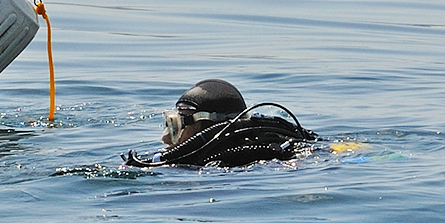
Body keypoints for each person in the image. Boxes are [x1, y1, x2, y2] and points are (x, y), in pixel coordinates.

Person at [122, 79, 316, 168]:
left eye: (176, 126)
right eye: (168, 124)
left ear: (207, 128)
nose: (165, 138)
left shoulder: (221, 166)